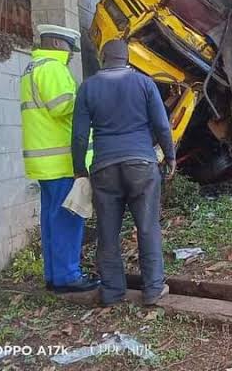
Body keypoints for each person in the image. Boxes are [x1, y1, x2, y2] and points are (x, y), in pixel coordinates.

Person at [71, 40, 176, 307]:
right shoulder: (144, 83)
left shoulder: (88, 87)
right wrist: (170, 156)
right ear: (127, 58)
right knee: (147, 227)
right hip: (141, 164)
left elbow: (80, 135)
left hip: (104, 167)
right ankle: (152, 289)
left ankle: (112, 291)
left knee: (108, 231)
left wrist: (79, 169)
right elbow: (162, 125)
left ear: (103, 57)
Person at [20, 25, 99, 293]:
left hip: (45, 163)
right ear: (55, 42)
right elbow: (63, 107)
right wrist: (89, 100)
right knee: (68, 218)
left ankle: (54, 276)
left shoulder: (33, 67)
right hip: (62, 162)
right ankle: (67, 277)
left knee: (52, 220)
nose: (71, 54)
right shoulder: (52, 68)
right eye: (68, 47)